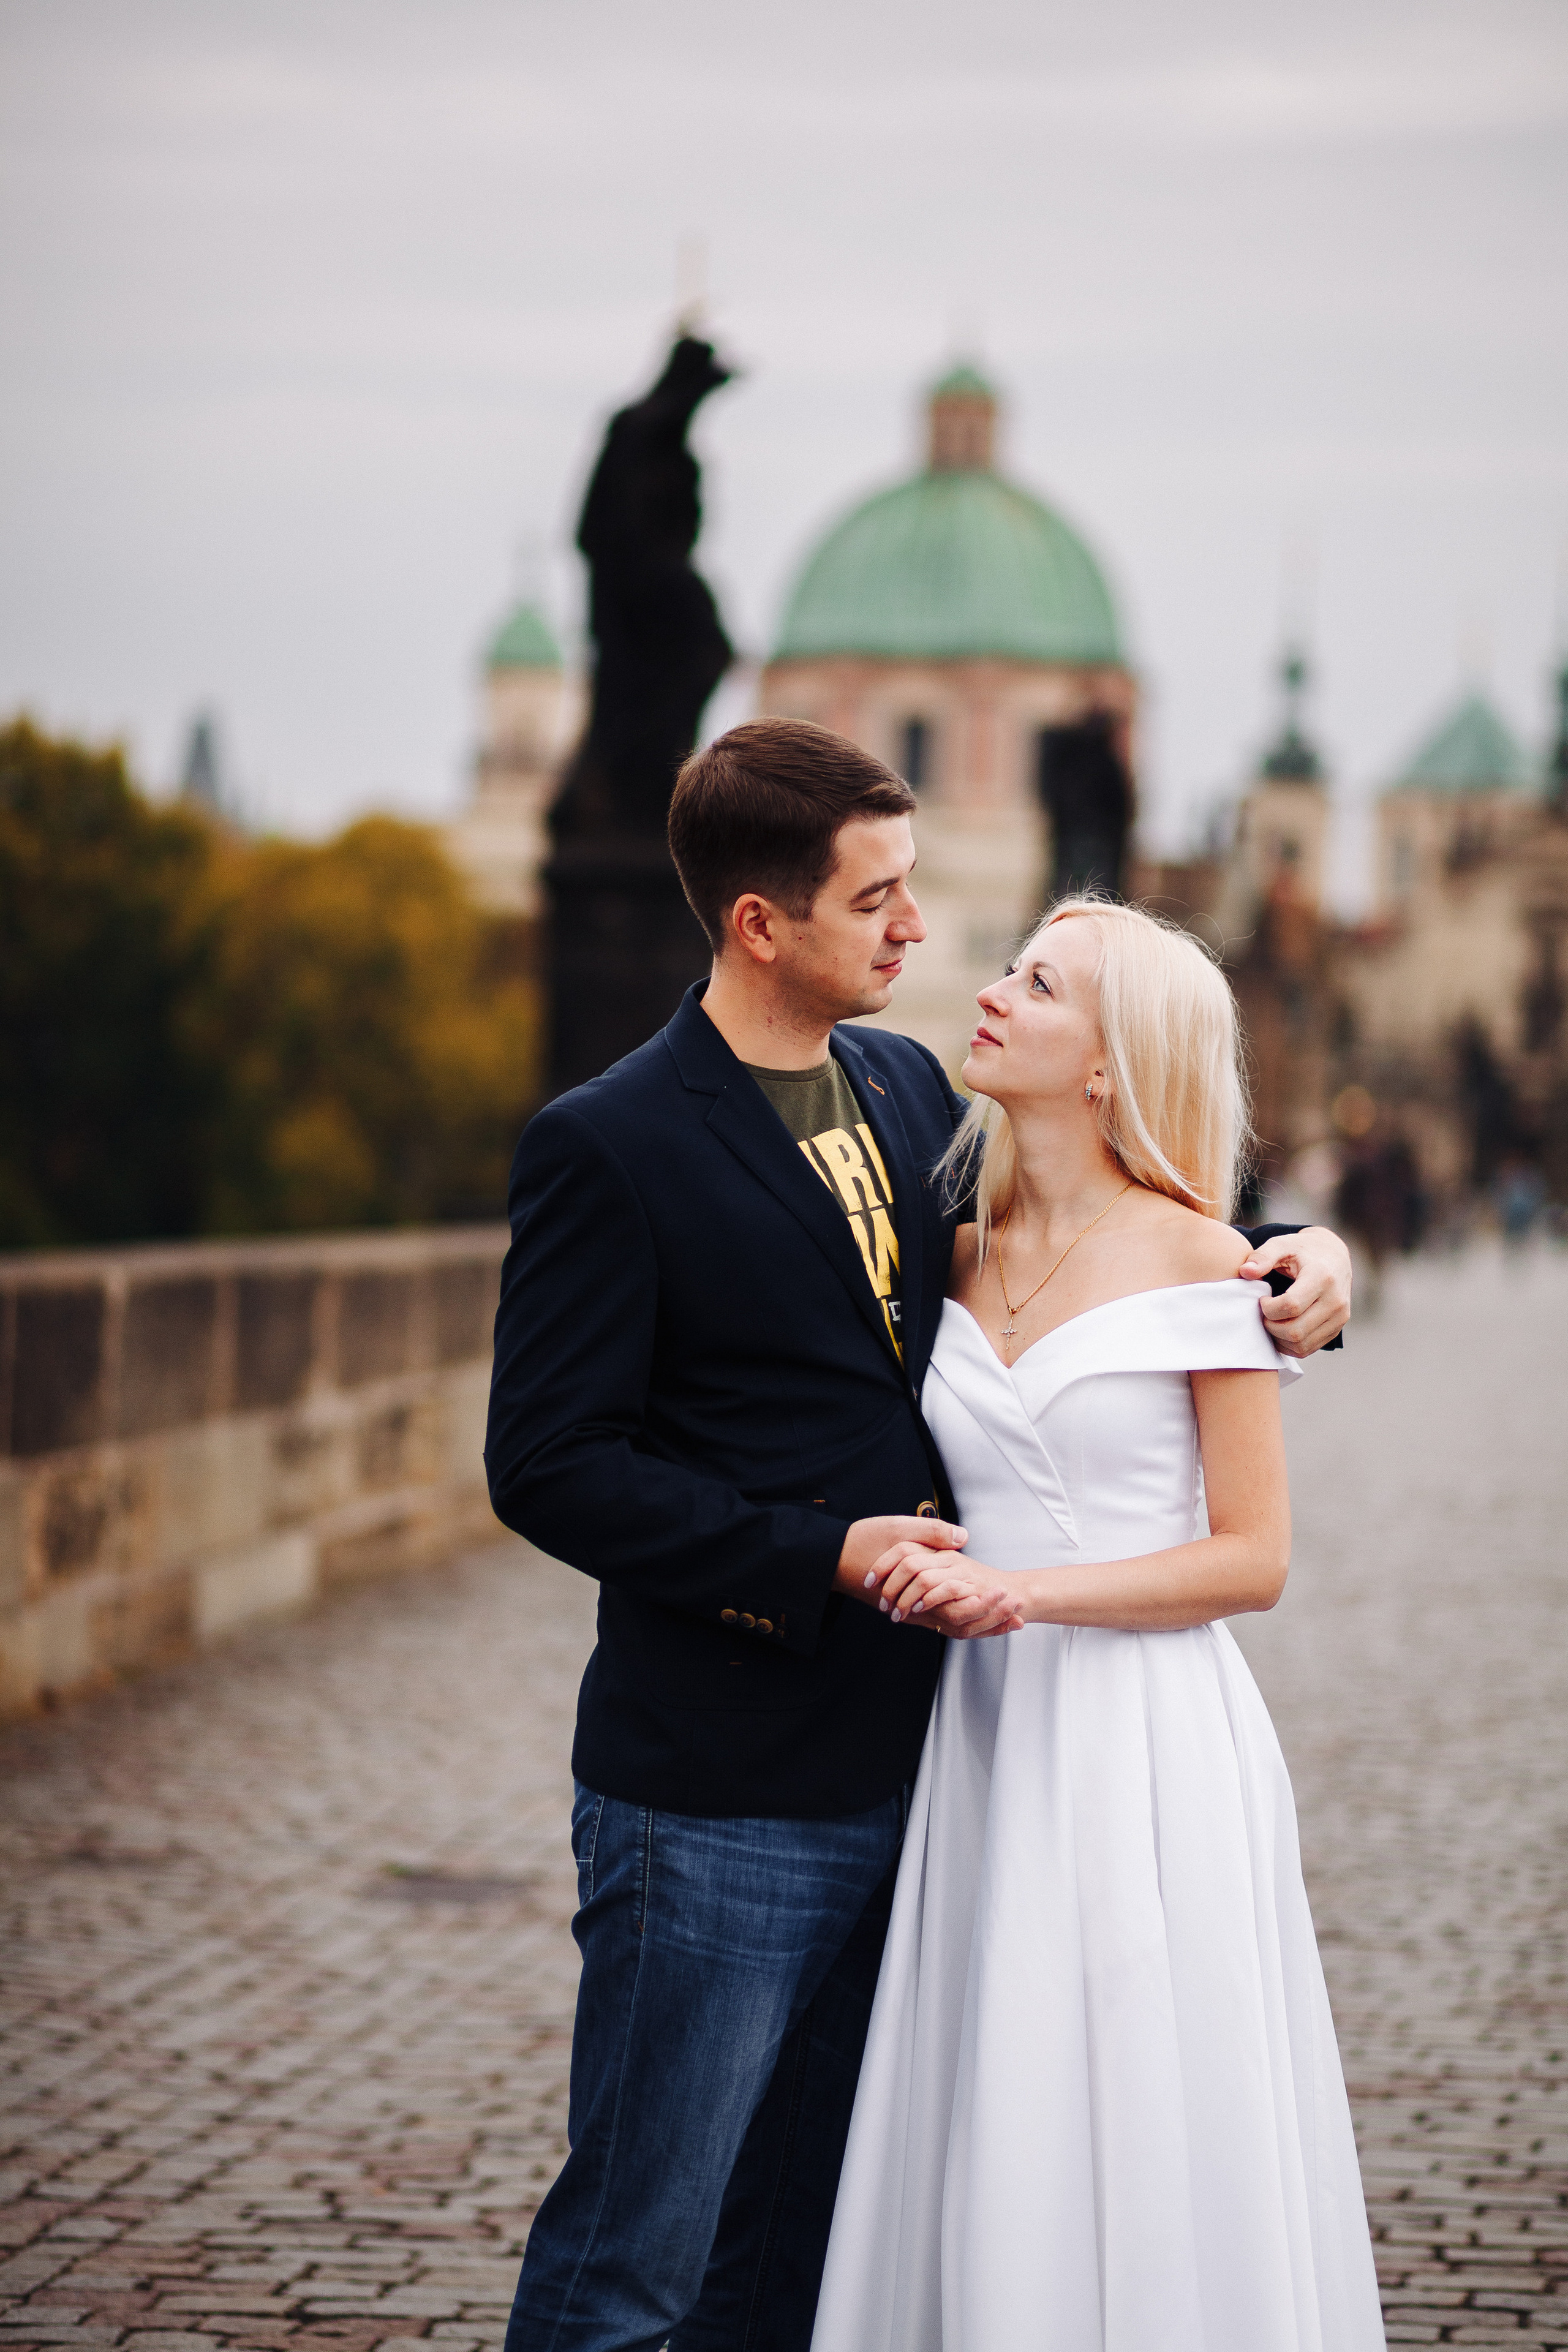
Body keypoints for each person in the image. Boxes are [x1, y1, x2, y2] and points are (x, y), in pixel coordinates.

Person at [483, 720, 1353, 2352]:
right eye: (877, 896)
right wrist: (815, 1557)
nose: (915, 930)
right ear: (760, 923)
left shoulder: (897, 1085)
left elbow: (1110, 1222)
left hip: (937, 1777)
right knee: (634, 2261)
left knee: (800, 2257)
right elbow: (545, 1465)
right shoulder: (609, 1142)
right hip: (719, 1789)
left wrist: (1308, 1254)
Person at [809, 899, 1384, 2352]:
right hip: (981, 1735)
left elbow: (1251, 1560)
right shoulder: (947, 1253)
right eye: (1008, 969)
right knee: (986, 2079)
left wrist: (1024, 1595)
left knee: (1135, 2084)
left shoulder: (1207, 1263)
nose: (992, 993)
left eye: (1037, 983)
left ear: (1108, 1065)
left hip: (1141, 1736)